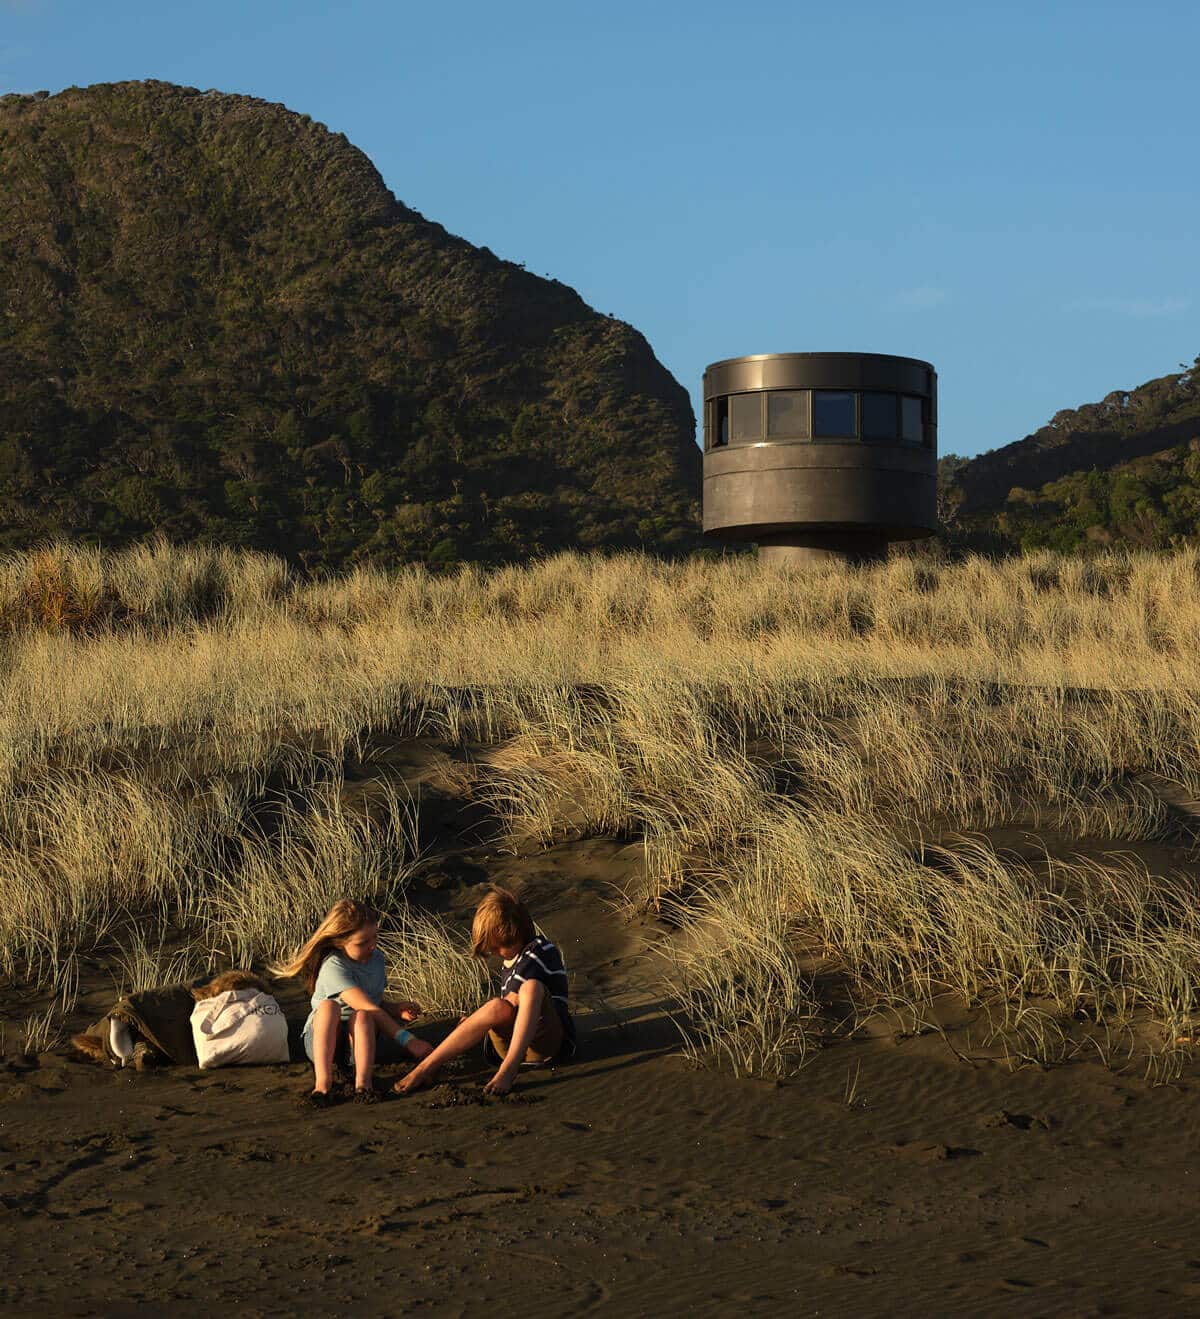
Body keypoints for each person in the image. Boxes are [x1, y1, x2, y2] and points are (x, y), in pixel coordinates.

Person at [395, 886, 575, 1096]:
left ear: (516, 935)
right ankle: (426, 1067)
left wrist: (475, 1020)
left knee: (530, 988)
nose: (496, 954)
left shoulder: (540, 951)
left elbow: (515, 999)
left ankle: (508, 1070)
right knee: (497, 1006)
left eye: (498, 947)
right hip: (510, 1045)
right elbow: (505, 1008)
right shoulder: (512, 958)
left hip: (548, 1045)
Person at [274, 898, 432, 1105]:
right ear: (340, 942)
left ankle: (363, 1084)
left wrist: (395, 1009)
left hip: (357, 1045)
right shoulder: (334, 965)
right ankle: (323, 1083)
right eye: (362, 942)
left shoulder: (377, 959)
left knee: (363, 1015)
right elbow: (366, 1005)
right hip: (322, 1042)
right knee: (330, 1008)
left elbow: (372, 1003)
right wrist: (409, 1041)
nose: (372, 945)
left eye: (374, 937)